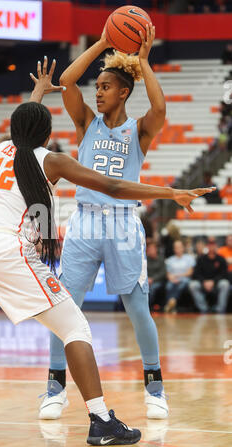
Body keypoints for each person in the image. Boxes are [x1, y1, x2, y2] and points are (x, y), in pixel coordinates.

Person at [0, 58, 212, 443]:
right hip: (7, 248)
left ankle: (151, 386)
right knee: (75, 326)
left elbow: (23, 123)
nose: (96, 93)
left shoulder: (0, 150)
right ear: (48, 135)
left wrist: (36, 95)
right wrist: (170, 192)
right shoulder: (53, 160)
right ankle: (99, 419)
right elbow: (111, 186)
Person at [38, 24, 214, 422]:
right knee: (64, 307)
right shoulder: (85, 123)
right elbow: (67, 81)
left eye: (104, 86)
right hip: (84, 222)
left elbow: (160, 110)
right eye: (96, 85)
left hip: (122, 225)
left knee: (138, 310)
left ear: (123, 92)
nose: (97, 91)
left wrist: (144, 62)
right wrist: (102, 42)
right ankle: (54, 386)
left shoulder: (138, 130)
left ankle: (155, 387)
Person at [189, 237, 230, 313]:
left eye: (213, 245)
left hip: (216, 283)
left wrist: (213, 282)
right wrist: (204, 282)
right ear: (207, 246)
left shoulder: (221, 259)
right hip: (203, 283)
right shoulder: (201, 259)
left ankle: (220, 309)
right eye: (210, 245)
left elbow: (224, 274)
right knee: (193, 285)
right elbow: (196, 274)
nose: (212, 247)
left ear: (216, 246)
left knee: (225, 284)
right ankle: (204, 309)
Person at [164, 240, 195, 313]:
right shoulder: (170, 260)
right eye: (176, 247)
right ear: (174, 249)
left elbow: (190, 272)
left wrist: (178, 276)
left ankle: (171, 302)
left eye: (179, 247)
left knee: (181, 284)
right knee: (169, 286)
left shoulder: (189, 258)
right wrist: (171, 278)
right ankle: (172, 305)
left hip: (185, 278)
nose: (178, 249)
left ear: (183, 248)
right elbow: (168, 273)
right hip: (173, 279)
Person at [146, 241, 166, 310]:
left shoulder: (161, 259)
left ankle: (147, 307)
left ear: (156, 249)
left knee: (152, 288)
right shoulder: (145, 259)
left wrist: (153, 279)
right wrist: (146, 279)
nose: (151, 250)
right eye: (149, 249)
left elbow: (163, 273)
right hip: (146, 281)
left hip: (157, 281)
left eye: (152, 249)